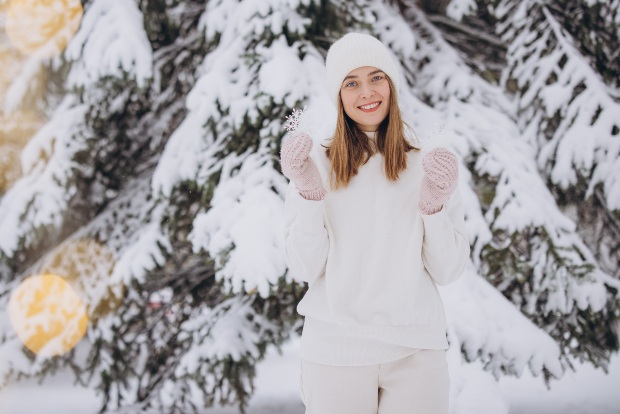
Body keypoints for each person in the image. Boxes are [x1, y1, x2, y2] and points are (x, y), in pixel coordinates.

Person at [281, 32, 470, 414]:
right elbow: (304, 267)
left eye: (376, 77)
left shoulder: (428, 163)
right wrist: (309, 196)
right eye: (351, 82)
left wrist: (433, 207)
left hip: (416, 351)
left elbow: (448, 270)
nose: (367, 92)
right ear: (338, 95)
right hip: (335, 352)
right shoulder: (312, 165)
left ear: (393, 84)